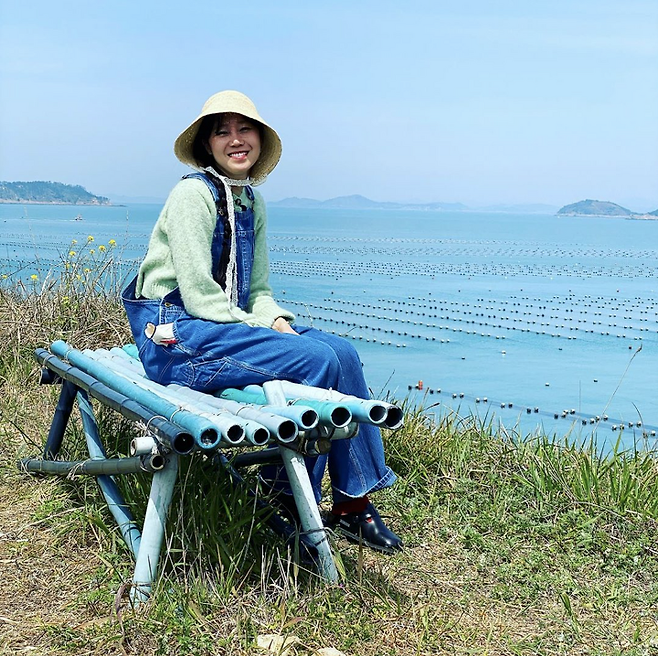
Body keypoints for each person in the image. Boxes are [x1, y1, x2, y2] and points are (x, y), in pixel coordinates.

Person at [122, 90, 402, 553]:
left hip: (219, 326)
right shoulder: (192, 194)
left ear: (259, 139)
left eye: (244, 129)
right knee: (315, 362)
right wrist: (258, 331)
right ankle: (286, 501)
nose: (236, 139)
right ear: (207, 145)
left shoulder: (251, 202)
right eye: (222, 131)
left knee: (343, 354)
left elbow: (257, 292)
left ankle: (353, 507)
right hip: (176, 334)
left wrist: (274, 321)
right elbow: (198, 294)